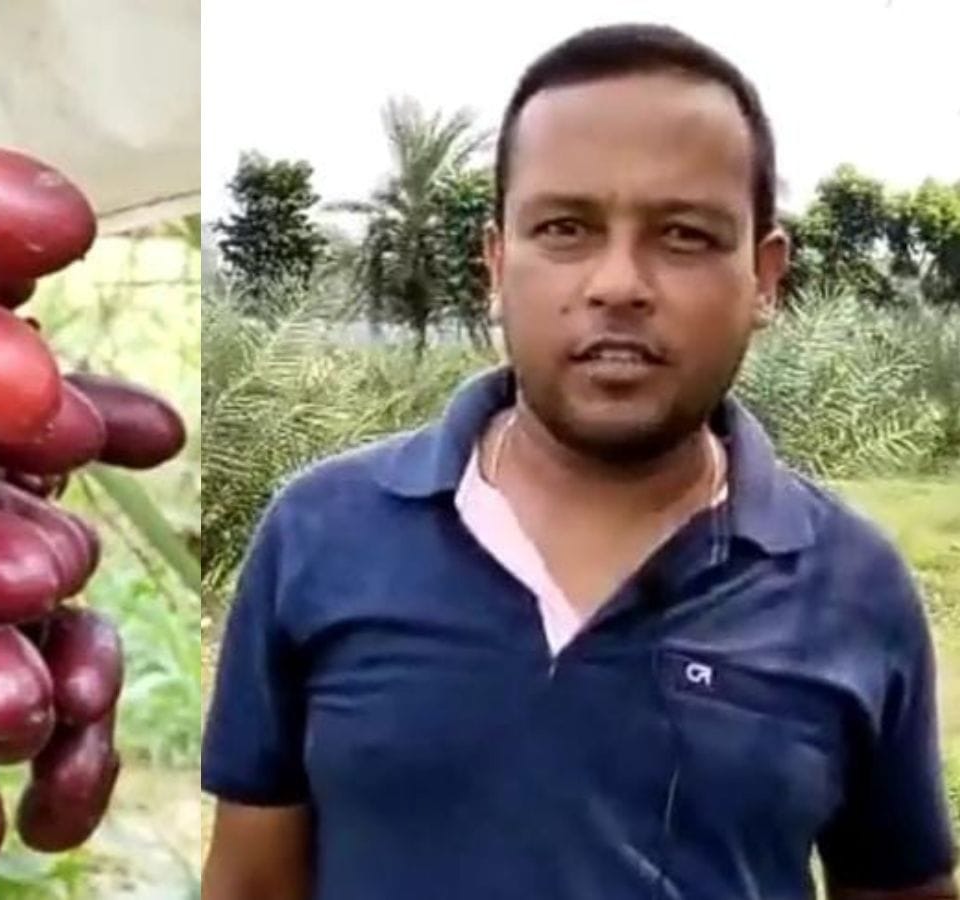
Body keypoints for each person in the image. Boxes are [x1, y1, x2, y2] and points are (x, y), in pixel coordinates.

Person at [200, 22, 958, 900]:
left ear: (765, 278)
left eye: (683, 236)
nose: (618, 283)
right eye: (565, 228)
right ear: (495, 264)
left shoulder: (852, 586)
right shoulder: (321, 535)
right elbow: (251, 883)